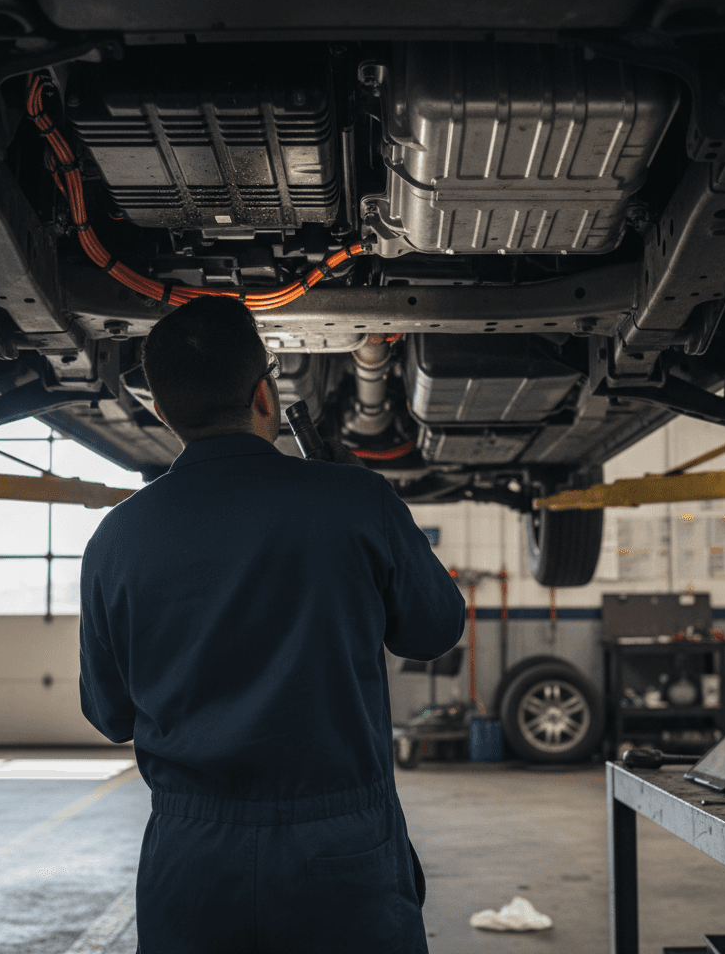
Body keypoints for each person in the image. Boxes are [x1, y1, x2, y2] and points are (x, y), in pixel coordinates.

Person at [79, 295, 466, 954]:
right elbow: (434, 630)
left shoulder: (115, 540)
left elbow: (109, 714)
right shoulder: (356, 503)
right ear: (265, 393)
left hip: (192, 861)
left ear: (163, 412)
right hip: (339, 853)